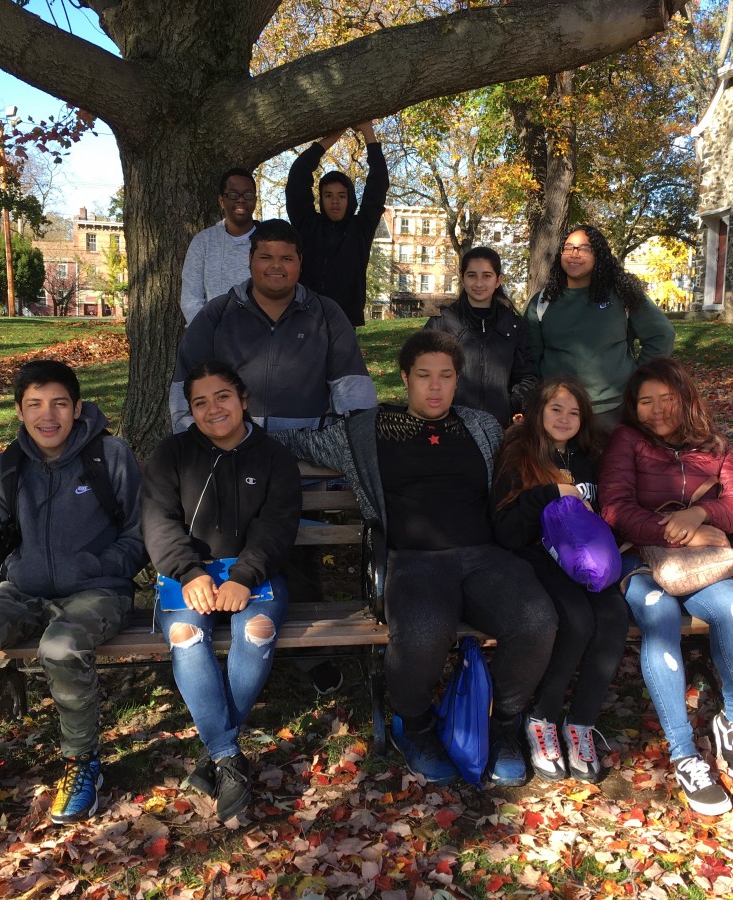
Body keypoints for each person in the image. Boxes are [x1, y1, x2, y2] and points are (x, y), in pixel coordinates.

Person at [271, 330, 558, 788]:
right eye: (424, 376)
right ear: (405, 378)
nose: (436, 386)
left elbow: (526, 453)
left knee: (536, 620)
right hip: (413, 559)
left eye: (446, 376)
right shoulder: (367, 431)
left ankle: (504, 724)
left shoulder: (479, 425)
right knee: (423, 632)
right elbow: (299, 442)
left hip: (484, 556)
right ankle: (416, 726)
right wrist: (230, 427)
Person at [0, 361, 144, 838]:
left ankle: (82, 762)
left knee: (60, 648)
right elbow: (4, 532)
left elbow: (139, 532)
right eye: (34, 405)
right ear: (19, 410)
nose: (47, 416)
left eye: (58, 404)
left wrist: (98, 566)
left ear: (76, 407)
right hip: (23, 590)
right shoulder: (4, 467)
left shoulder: (110, 456)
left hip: (98, 590)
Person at [142, 361, 302, 823]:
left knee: (257, 629)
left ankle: (215, 754)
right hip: (186, 574)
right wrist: (190, 573)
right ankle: (227, 756)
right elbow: (158, 523)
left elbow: (278, 527)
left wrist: (243, 577)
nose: (213, 409)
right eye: (200, 402)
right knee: (186, 638)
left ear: (244, 398)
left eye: (223, 397)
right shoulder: (171, 454)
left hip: (251, 573)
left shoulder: (273, 457)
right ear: (190, 410)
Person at [599, 357, 733, 816]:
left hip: (700, 564)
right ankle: (686, 755)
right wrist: (674, 529)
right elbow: (614, 507)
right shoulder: (626, 440)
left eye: (665, 399)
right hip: (639, 558)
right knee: (660, 617)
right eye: (645, 401)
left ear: (684, 398)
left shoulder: (713, 445)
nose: (656, 409)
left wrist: (700, 515)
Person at [491, 376, 628, 783]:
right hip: (537, 558)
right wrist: (550, 493)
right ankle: (543, 717)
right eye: (556, 409)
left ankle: (581, 723)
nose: (565, 418)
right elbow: (506, 532)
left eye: (574, 411)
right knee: (577, 620)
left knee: (614, 616)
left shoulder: (592, 457)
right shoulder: (519, 456)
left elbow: (609, 512)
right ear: (538, 412)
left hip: (589, 562)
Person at [169, 218, 377, 435]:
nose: (276, 266)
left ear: (300, 261)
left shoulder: (327, 314)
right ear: (250, 259)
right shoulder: (217, 313)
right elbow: (186, 392)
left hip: (309, 454)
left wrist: (344, 448)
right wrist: (199, 448)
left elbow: (354, 394)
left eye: (287, 258)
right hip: (233, 451)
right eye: (265, 257)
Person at [526, 224, 676, 434]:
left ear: (599, 255)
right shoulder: (542, 301)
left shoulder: (622, 294)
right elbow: (530, 356)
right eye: (568, 248)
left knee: (612, 467)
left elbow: (662, 335)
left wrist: (637, 377)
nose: (574, 254)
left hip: (613, 410)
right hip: (559, 412)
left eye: (584, 248)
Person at [285, 122, 388, 327]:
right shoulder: (307, 224)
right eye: (328, 195)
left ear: (349, 198)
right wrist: (337, 132)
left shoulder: (360, 228)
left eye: (342, 196)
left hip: (344, 321)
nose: (335, 201)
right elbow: (298, 174)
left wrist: (368, 130)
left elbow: (378, 182)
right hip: (303, 317)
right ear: (321, 199)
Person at [424, 246, 537, 430]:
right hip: (449, 426)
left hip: (499, 426)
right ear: (462, 277)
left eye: (486, 276)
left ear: (498, 280)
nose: (479, 283)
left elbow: (527, 376)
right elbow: (423, 372)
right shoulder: (442, 323)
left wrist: (511, 405)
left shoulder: (513, 325)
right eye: (471, 275)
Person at [180, 167, 259, 324]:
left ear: (255, 200)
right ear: (222, 201)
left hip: (262, 339)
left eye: (248, 194)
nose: (241, 199)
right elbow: (191, 298)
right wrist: (208, 333)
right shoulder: (203, 242)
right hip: (215, 338)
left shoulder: (269, 240)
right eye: (233, 194)